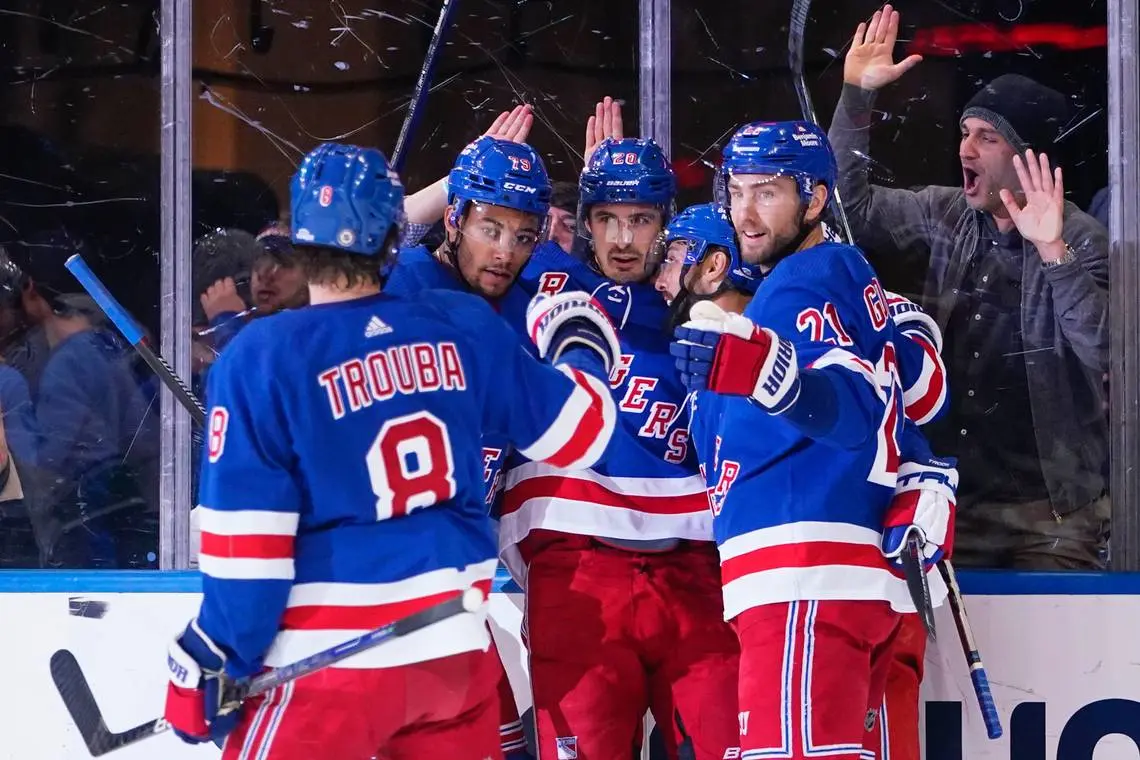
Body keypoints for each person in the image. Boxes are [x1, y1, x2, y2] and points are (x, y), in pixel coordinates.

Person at [162, 142, 624, 760]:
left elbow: (250, 551)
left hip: (325, 664)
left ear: (297, 241)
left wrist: (214, 652)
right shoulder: (462, 323)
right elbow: (583, 431)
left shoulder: (261, 355)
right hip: (451, 659)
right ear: (393, 240)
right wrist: (579, 347)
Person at [669, 120, 955, 760]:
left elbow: (849, 408)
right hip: (836, 580)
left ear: (816, 198)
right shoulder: (837, 280)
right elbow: (919, 399)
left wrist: (778, 382)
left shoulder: (805, 281)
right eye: (736, 191)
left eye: (766, 192)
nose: (744, 212)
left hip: (804, 576)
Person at [499, 99, 741, 760]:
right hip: (578, 571)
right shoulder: (544, 281)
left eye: (640, 220)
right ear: (585, 222)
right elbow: (411, 262)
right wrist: (468, 190)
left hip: (696, 568)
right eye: (607, 218)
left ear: (668, 226)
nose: (625, 239)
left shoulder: (695, 311)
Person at [828, 4, 1109, 570]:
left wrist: (1054, 254)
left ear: (1029, 156)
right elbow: (843, 209)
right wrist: (857, 98)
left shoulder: (1082, 238)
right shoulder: (946, 213)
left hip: (1050, 522)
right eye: (965, 133)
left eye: (987, 138)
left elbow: (1105, 350)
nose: (965, 149)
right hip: (951, 502)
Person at [385, 133, 554, 760]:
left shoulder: (530, 311)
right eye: (490, 228)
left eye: (522, 235)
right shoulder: (400, 285)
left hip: (456, 583)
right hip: (380, 575)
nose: (505, 251)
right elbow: (329, 243)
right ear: (454, 218)